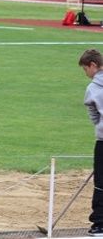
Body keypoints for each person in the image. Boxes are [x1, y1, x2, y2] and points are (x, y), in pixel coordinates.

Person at [79, 49, 103, 236]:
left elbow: (93, 114)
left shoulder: (92, 88)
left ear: (93, 65)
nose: (85, 73)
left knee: (101, 184)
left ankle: (99, 224)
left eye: (85, 68)